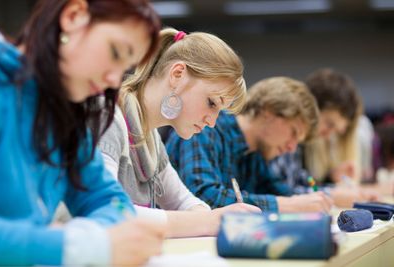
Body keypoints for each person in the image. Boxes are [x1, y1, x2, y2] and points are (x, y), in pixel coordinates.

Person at [0, 0, 165, 266]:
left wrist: (97, 238)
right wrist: (75, 246)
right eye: (116, 52)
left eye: (125, 68)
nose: (114, 80)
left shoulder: (65, 117)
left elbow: (110, 199)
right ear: (74, 16)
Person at [98, 28, 261, 238]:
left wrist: (206, 218)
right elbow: (108, 211)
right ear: (177, 75)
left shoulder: (151, 139)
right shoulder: (105, 116)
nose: (212, 122)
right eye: (211, 103)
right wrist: (209, 221)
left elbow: (185, 202)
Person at [167, 77, 334, 212]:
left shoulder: (256, 153)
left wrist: (310, 201)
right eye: (294, 132)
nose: (292, 147)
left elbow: (281, 192)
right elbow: (203, 196)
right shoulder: (205, 128)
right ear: (269, 111)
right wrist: (287, 205)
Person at [269, 69, 378, 207]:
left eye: (335, 131)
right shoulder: (285, 138)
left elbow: (304, 184)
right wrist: (332, 195)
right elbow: (282, 192)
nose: (327, 135)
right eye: (329, 124)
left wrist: (331, 179)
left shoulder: (300, 145)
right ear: (311, 107)